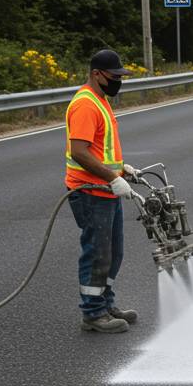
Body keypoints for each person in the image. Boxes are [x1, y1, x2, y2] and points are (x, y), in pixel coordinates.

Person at [64, 49, 142, 334]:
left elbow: (101, 148)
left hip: (106, 188)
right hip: (90, 191)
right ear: (97, 74)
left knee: (113, 253)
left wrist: (123, 169)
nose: (118, 81)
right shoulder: (85, 104)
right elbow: (81, 152)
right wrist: (112, 176)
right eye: (115, 76)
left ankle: (106, 303)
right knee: (97, 252)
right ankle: (93, 313)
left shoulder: (101, 100)